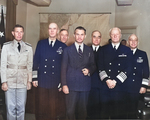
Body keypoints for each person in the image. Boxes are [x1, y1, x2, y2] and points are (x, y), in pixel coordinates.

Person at [33, 22, 67, 120]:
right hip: (42, 79)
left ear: (57, 31)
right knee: (41, 107)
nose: (52, 31)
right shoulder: (41, 43)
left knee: (53, 108)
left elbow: (63, 66)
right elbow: (36, 61)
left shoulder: (62, 46)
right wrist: (35, 77)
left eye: (54, 29)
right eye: (50, 28)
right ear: (48, 30)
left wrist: (62, 82)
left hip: (55, 81)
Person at [61, 26, 96, 120]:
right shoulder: (67, 50)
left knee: (83, 111)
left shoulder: (89, 50)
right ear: (74, 35)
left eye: (82, 34)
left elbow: (93, 66)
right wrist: (64, 85)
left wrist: (89, 70)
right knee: (70, 111)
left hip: (84, 85)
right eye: (77, 34)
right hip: (71, 86)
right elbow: (63, 69)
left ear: (85, 36)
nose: (79, 37)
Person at [97, 27, 133, 119]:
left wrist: (116, 81)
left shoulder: (127, 50)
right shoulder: (103, 49)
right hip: (105, 86)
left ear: (120, 36)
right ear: (110, 36)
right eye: (113, 34)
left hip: (120, 87)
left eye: (117, 34)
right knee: (104, 114)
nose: (115, 36)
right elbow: (100, 67)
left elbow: (129, 68)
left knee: (118, 114)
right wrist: (107, 80)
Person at [1, 24, 33, 120]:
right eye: (17, 31)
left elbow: (29, 65)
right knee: (10, 108)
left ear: (23, 33)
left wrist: (29, 81)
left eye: (21, 32)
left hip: (22, 81)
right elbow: (3, 65)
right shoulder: (6, 47)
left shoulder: (28, 47)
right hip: (9, 81)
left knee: (21, 108)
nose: (19, 34)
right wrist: (4, 81)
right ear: (13, 33)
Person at [127, 34, 149, 118]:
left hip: (137, 87)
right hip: (125, 86)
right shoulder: (124, 53)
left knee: (135, 111)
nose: (133, 42)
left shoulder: (142, 54)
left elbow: (146, 71)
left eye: (135, 40)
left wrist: (143, 86)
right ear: (128, 41)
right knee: (124, 110)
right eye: (131, 40)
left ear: (138, 42)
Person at [87, 30, 102, 119]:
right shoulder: (86, 50)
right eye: (94, 36)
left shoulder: (104, 50)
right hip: (88, 83)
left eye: (98, 37)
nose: (96, 39)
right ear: (91, 38)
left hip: (100, 84)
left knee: (99, 109)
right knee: (88, 108)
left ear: (101, 39)